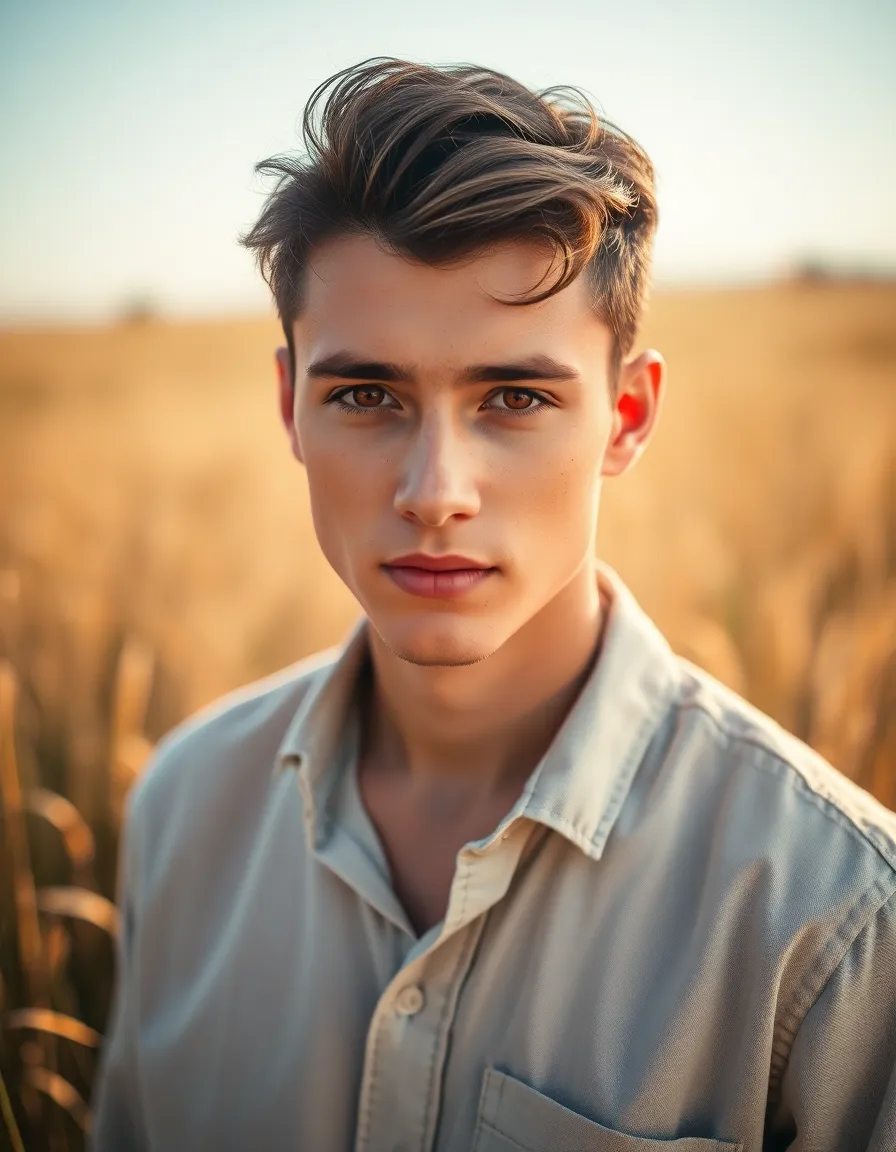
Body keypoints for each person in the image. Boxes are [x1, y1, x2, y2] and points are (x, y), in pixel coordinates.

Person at [90, 57, 896, 1152]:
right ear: (289, 406)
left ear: (624, 416)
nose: (433, 494)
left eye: (512, 398)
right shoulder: (180, 808)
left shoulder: (834, 921)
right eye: (365, 395)